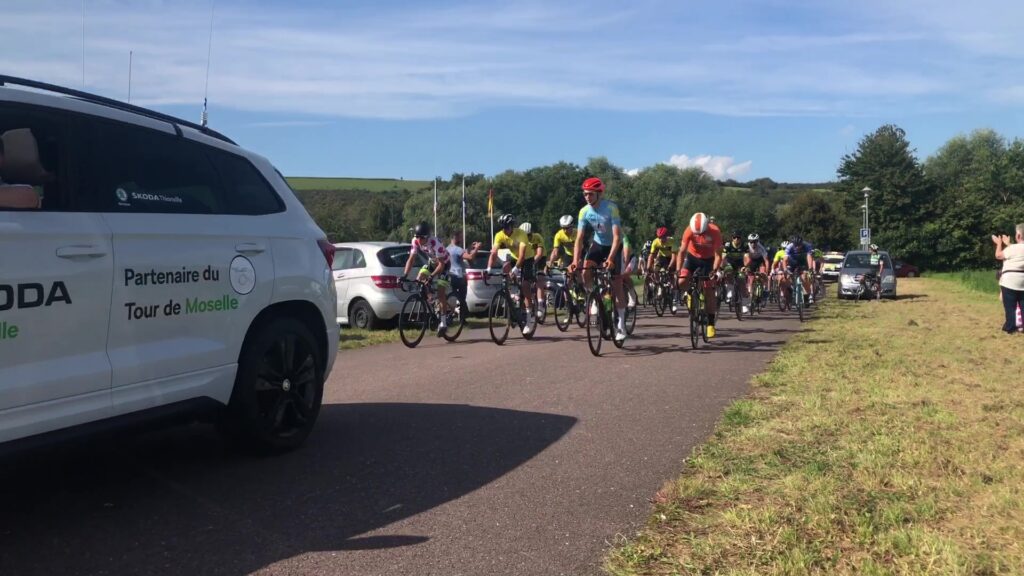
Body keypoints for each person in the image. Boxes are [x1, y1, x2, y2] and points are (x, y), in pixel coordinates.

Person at [570, 177, 628, 343]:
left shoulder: (611, 208)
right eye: (585, 194)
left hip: (614, 246)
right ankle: (593, 297)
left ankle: (621, 325)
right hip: (598, 244)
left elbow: (617, 236)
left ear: (599, 193)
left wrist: (610, 258)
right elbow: (580, 239)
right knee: (586, 268)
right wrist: (575, 260)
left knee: (616, 285)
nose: (587, 197)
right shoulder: (584, 211)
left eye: (590, 194)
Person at [487, 213, 538, 336]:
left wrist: (515, 269)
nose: (505, 230)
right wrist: (488, 269)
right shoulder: (499, 235)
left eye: (507, 227)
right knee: (505, 268)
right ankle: (511, 295)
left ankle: (529, 315)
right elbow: (493, 253)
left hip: (527, 258)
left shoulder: (521, 234)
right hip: (515, 258)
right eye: (503, 227)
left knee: (525, 284)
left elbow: (522, 256)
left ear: (512, 226)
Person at [676, 212, 723, 338]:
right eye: (697, 233)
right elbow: (681, 252)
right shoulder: (689, 230)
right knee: (681, 281)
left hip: (708, 260)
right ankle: (688, 294)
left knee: (709, 289)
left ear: (707, 226)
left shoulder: (715, 231)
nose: (699, 236)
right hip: (692, 258)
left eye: (701, 233)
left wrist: (714, 270)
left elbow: (719, 255)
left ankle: (711, 324)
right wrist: (678, 270)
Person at [403, 221, 453, 336]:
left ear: (427, 237)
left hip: (444, 264)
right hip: (432, 262)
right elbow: (411, 259)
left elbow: (441, 265)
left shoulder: (436, 243)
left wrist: (431, 277)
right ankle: (431, 300)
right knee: (419, 278)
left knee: (441, 292)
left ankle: (443, 323)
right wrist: (404, 275)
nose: (419, 241)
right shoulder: (415, 241)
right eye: (417, 237)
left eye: (422, 238)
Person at [993, 225, 1024, 334]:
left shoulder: (1012, 248)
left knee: (1010, 306)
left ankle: (1010, 327)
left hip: (1009, 281)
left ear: (1019, 235)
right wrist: (1009, 244)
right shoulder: (1014, 247)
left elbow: (998, 255)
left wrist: (999, 244)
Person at [446, 232, 482, 303]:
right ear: (456, 238)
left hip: (449, 277)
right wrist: (477, 248)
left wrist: (470, 247)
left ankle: (452, 311)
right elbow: (470, 257)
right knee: (462, 299)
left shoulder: (447, 249)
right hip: (459, 277)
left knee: (452, 296)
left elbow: (463, 252)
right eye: (460, 238)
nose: (461, 240)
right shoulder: (458, 249)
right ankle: (462, 312)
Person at [520, 222, 546, 320]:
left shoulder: (537, 237)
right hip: (528, 258)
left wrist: (532, 263)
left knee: (539, 278)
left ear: (532, 233)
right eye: (525, 236)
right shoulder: (521, 240)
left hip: (540, 258)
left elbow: (539, 254)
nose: (528, 237)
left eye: (529, 235)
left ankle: (540, 304)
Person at [783, 235, 816, 305]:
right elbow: (785, 260)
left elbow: (809, 257)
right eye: (796, 245)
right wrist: (785, 269)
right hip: (792, 261)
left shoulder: (807, 246)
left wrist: (810, 269)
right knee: (787, 277)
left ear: (802, 243)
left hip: (803, 262)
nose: (797, 247)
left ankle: (806, 295)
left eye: (799, 245)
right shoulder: (789, 247)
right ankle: (790, 291)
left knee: (804, 277)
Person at [743, 233, 770, 313]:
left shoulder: (761, 247)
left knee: (763, 274)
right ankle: (751, 296)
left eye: (755, 242)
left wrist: (767, 272)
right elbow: (745, 259)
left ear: (757, 241)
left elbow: (766, 261)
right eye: (751, 242)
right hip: (751, 262)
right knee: (750, 279)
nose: (753, 243)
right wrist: (745, 267)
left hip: (760, 261)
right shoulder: (747, 247)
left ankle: (765, 291)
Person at [722, 231, 747, 307]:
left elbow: (748, 258)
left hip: (740, 264)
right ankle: (730, 291)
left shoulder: (744, 246)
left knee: (742, 279)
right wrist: (721, 267)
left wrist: (745, 267)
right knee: (729, 273)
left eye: (738, 237)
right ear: (732, 239)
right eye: (734, 237)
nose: (736, 239)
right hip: (730, 263)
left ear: (740, 239)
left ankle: (745, 303)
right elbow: (723, 257)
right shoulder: (728, 245)